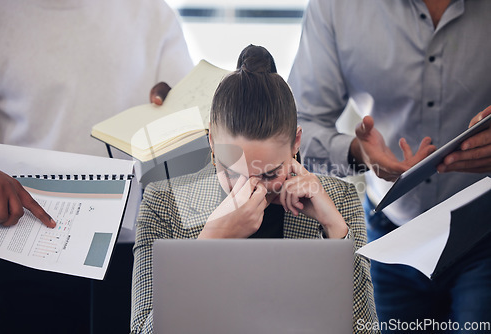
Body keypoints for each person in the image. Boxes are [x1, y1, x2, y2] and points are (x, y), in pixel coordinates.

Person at [130, 45, 379, 334]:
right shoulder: (163, 203)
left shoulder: (339, 200)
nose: (250, 189)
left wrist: (334, 228)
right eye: (232, 172)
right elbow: (143, 330)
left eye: (269, 173)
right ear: (212, 142)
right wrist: (210, 241)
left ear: (296, 143)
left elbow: (365, 330)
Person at [288, 0, 491, 332]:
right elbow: (297, 127)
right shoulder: (337, 7)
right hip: (387, 238)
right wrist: (358, 153)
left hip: (484, 234)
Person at [0, 1, 193, 333]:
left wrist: (179, 111)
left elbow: (189, 116)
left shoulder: (151, 12)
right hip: (24, 251)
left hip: (131, 253)